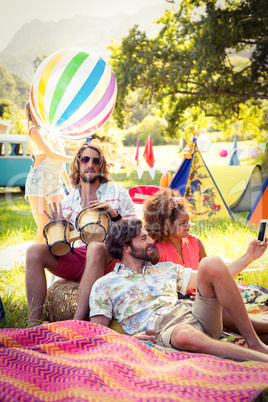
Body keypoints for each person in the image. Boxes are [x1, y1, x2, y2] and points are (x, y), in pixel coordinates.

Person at [90, 218, 268, 362]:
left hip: (195, 314)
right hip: (164, 330)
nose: (151, 241)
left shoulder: (165, 268)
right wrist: (128, 340)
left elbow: (219, 275)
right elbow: (98, 333)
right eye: (143, 238)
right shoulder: (105, 285)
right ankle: (260, 359)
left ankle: (255, 343)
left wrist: (248, 257)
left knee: (211, 262)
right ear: (126, 247)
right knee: (184, 334)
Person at [25, 141, 136, 326]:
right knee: (34, 251)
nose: (90, 164)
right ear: (78, 163)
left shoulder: (118, 193)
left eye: (96, 160)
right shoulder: (69, 201)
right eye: (85, 159)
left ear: (101, 165)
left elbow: (135, 231)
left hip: (111, 257)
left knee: (95, 246)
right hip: (81, 259)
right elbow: (61, 248)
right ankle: (32, 323)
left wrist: (114, 215)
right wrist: (58, 228)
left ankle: (77, 323)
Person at [143, 187, 268, 343]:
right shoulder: (155, 252)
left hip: (203, 297)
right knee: (222, 312)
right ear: (166, 225)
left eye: (188, 221)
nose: (188, 226)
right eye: (183, 223)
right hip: (179, 305)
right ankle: (262, 328)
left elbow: (214, 277)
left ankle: (259, 334)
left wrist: (250, 256)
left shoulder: (195, 242)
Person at [25, 101, 73, 243]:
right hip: (37, 181)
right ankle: (33, 261)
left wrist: (68, 184)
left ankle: (56, 261)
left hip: (55, 181)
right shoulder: (34, 130)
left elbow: (60, 163)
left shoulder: (57, 134)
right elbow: (52, 155)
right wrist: (77, 158)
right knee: (44, 228)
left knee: (59, 225)